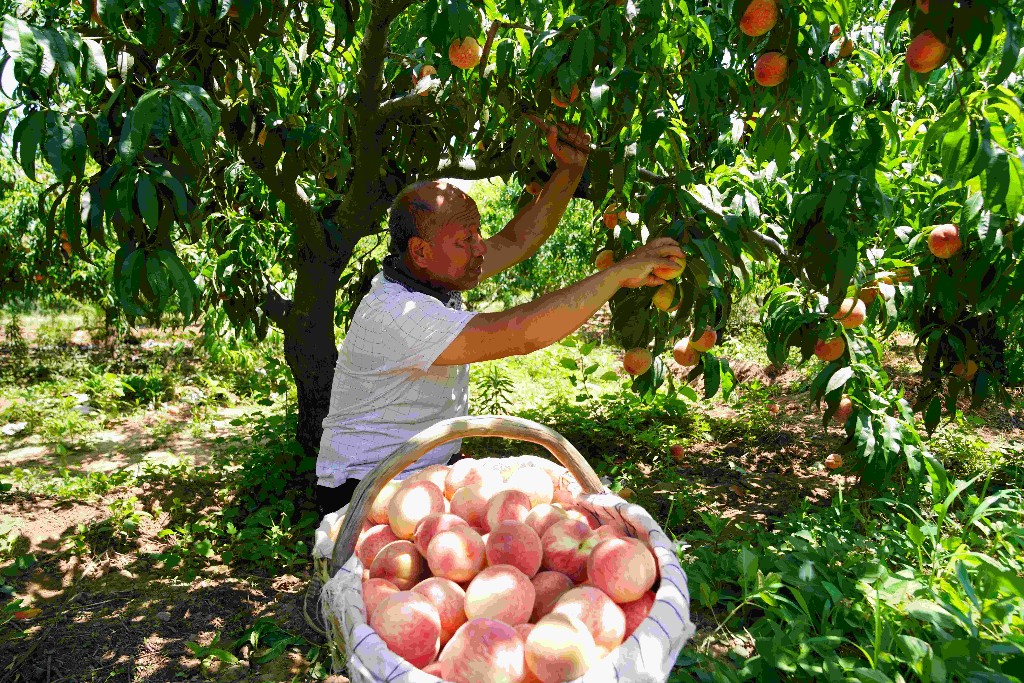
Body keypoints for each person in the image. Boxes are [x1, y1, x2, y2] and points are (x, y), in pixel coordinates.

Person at [314, 123, 685, 517]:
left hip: (420, 474)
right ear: (420, 251)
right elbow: (521, 334)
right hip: (364, 490)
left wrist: (569, 172)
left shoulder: (433, 274)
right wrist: (615, 274)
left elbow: (515, 241)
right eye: (465, 240)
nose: (480, 249)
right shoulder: (400, 315)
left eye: (478, 234)